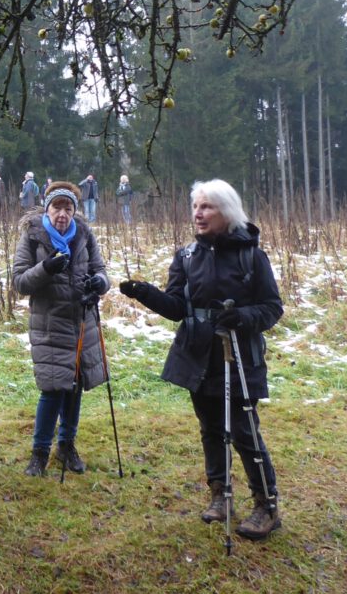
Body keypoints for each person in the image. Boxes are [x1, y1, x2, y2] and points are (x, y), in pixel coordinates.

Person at [118, 179, 284, 540]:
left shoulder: (252, 256)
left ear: (227, 211)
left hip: (239, 357)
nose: (198, 213)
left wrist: (242, 317)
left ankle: (266, 506)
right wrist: (146, 294)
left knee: (244, 431)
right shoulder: (187, 257)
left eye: (206, 207)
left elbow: (272, 308)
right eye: (196, 206)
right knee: (210, 428)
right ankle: (220, 496)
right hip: (198, 358)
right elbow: (178, 308)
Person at [11, 181, 110, 476]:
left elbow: (101, 271)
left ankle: (66, 446)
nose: (62, 214)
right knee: (53, 389)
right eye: (57, 207)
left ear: (74, 210)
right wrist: (46, 269)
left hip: (81, 321)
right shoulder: (33, 237)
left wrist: (98, 285)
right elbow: (19, 282)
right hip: (50, 323)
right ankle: (39, 453)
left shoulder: (84, 234)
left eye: (68, 208)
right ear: (47, 208)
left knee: (74, 388)